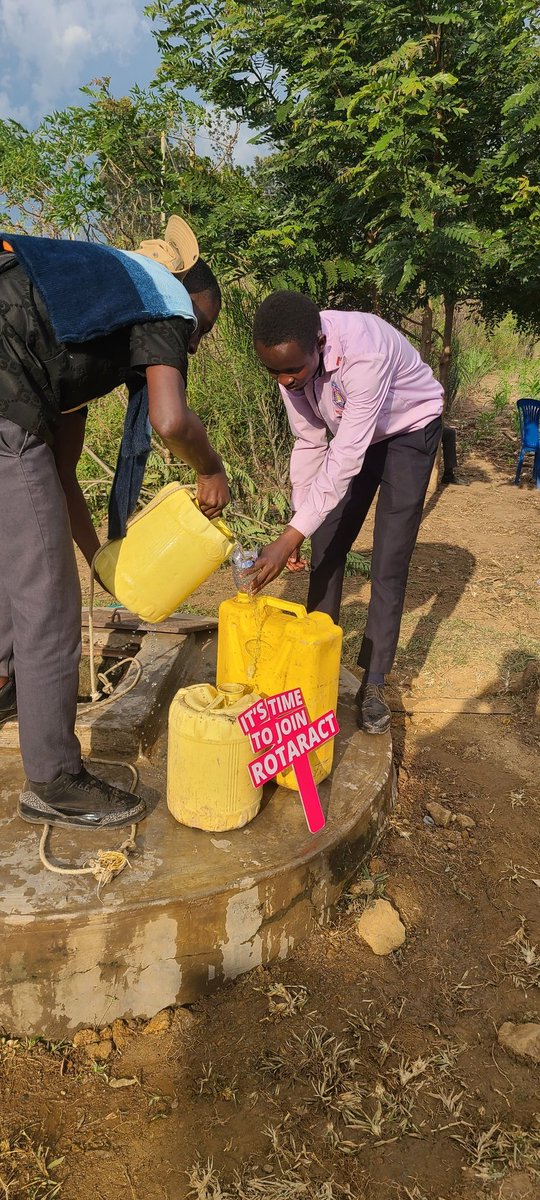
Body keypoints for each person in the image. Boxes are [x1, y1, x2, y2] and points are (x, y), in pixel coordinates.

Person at [0, 219, 229, 827]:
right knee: (48, 600)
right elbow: (170, 419)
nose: (193, 344)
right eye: (201, 329)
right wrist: (210, 467)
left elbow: (61, 469)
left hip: (9, 393)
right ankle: (53, 780)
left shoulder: (76, 312)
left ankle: (4, 684)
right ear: (192, 296)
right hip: (3, 401)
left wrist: (102, 556)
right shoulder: (165, 297)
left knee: (15, 561)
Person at [251, 291, 444, 734]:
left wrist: (288, 536)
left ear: (319, 343)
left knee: (388, 559)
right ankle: (315, 658)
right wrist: (300, 520)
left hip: (409, 429)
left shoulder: (364, 353)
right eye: (273, 371)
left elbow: (346, 457)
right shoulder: (291, 367)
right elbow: (308, 440)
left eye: (292, 370)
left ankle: (373, 681)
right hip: (354, 436)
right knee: (327, 542)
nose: (283, 380)